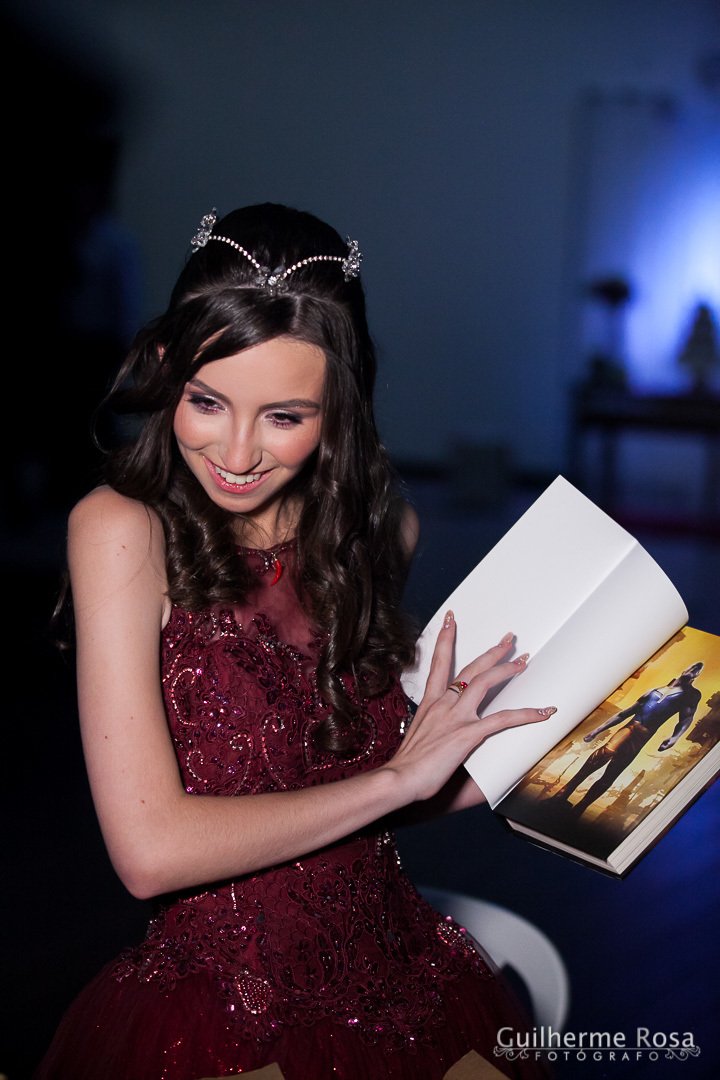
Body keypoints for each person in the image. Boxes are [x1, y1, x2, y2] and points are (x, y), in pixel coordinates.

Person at [36, 204, 555, 1080]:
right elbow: (149, 852)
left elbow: (358, 801)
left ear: (339, 409)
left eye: (283, 416)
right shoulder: (121, 529)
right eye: (207, 402)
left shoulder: (382, 536)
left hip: (412, 990)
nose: (237, 452)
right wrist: (398, 779)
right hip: (221, 1014)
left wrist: (510, 764)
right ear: (164, 369)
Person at [552, 662, 703, 816]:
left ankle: (579, 809)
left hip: (641, 736)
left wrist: (675, 737)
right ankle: (561, 795)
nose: (694, 671)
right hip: (627, 730)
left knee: (611, 773)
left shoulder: (691, 695)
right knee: (596, 760)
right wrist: (596, 731)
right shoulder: (654, 691)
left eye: (697, 670)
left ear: (697, 676)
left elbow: (686, 718)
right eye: (693, 667)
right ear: (685, 669)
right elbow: (624, 714)